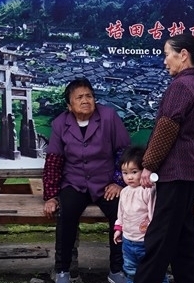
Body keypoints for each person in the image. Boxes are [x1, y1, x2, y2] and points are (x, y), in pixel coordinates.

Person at [133, 33, 194, 283]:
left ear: (183, 55)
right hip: (192, 175)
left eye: (167, 54)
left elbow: (166, 128)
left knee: (158, 241)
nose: (165, 60)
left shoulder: (181, 86)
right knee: (183, 243)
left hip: (176, 175)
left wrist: (149, 165)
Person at [42, 77, 131, 283]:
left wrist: (119, 182)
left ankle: (117, 270)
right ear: (69, 105)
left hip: (105, 182)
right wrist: (51, 196)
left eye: (89, 96)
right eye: (79, 97)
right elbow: (54, 160)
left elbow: (124, 152)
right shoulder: (60, 123)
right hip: (75, 183)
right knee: (66, 213)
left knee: (121, 212)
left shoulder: (109, 117)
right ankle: (62, 270)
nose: (85, 100)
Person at [113, 146, 167, 283]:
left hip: (145, 242)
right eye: (125, 173)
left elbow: (153, 213)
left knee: (154, 271)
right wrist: (119, 229)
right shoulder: (124, 192)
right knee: (130, 271)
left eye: (134, 172)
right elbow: (121, 213)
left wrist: (154, 235)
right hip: (127, 241)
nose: (129, 177)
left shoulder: (148, 190)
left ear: (144, 171)